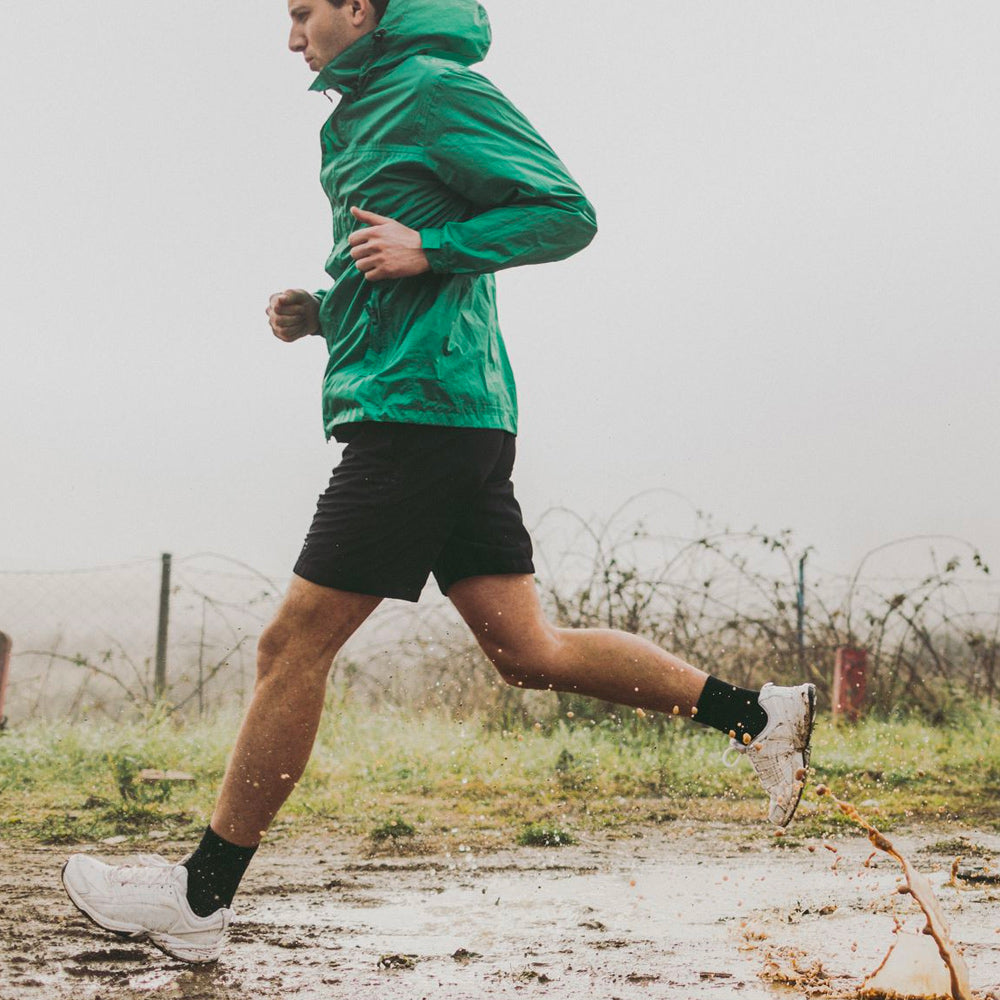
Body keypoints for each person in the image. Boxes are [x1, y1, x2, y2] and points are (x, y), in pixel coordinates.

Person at [61, 0, 816, 965]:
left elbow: (565, 212)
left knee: (292, 645)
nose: (291, 37)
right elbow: (403, 270)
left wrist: (433, 248)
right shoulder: (365, 110)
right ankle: (760, 716)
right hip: (448, 411)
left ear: (359, 7)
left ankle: (198, 899)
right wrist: (327, 310)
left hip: (420, 417)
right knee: (528, 650)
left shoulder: (431, 89)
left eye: (302, 12)